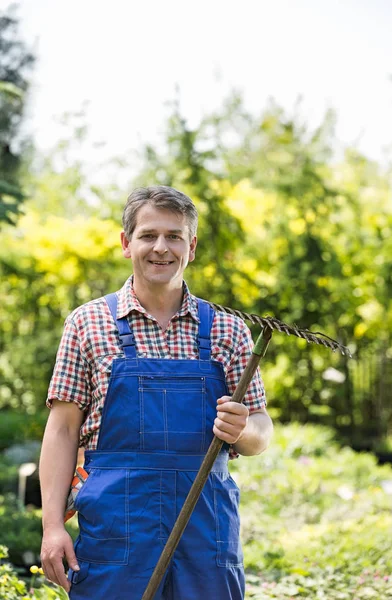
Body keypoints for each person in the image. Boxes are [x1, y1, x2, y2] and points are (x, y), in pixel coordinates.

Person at [39, 185, 273, 600]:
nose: (161, 248)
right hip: (116, 533)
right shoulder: (88, 323)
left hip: (206, 531)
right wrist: (53, 527)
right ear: (127, 244)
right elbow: (61, 431)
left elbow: (261, 431)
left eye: (174, 236)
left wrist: (243, 429)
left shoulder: (228, 330)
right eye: (148, 235)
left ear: (192, 246)